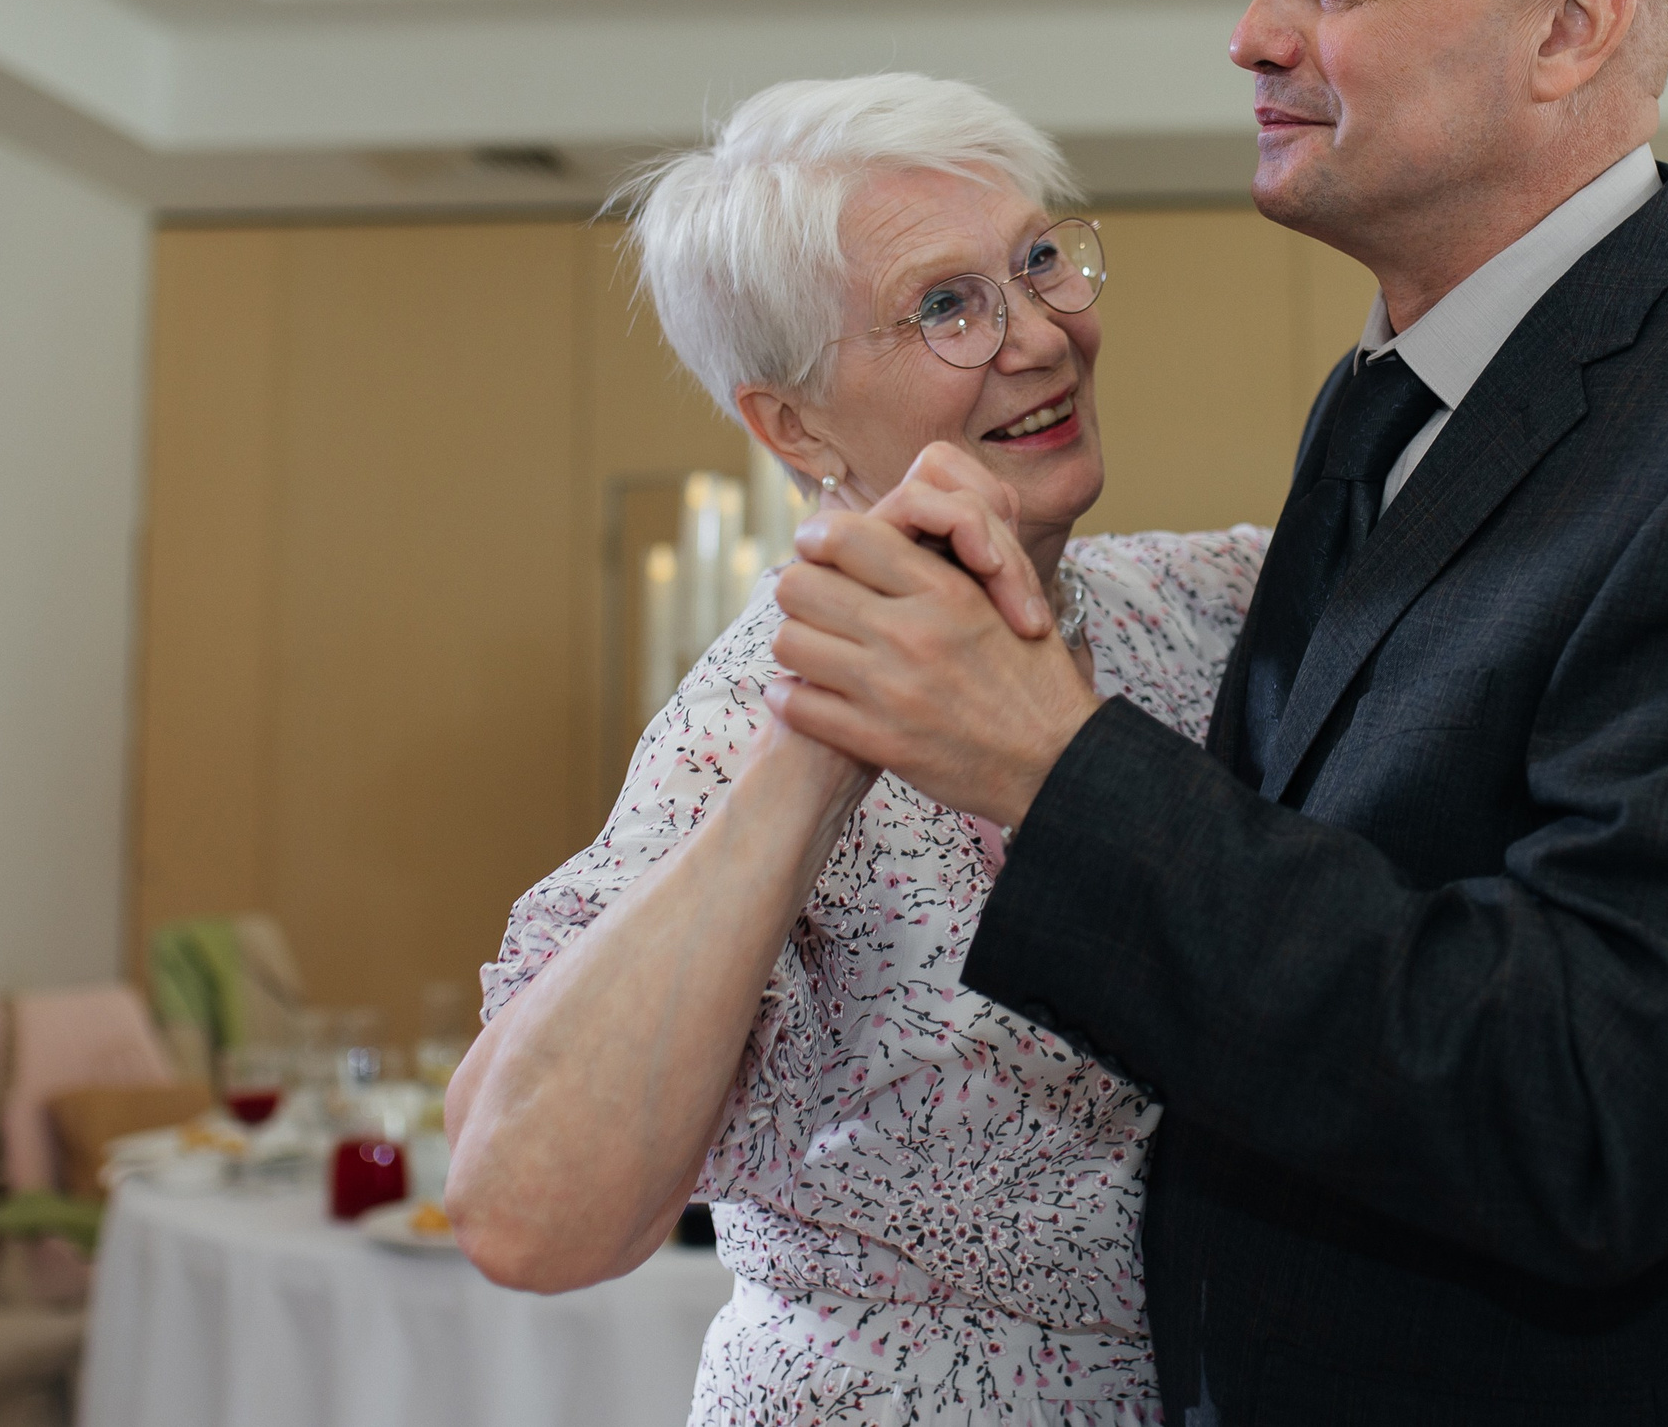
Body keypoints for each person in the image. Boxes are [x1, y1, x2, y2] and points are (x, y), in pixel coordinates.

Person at [766, 0, 1668, 1426]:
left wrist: (1052, 772)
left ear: (1572, 29)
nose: (1255, 33)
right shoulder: (1389, 402)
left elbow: (1599, 1105)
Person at [442, 72, 1264, 1425]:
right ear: (794, 426)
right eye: (946, 305)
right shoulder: (739, 726)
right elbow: (525, 1212)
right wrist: (827, 735)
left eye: (1040, 261)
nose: (1042, 336)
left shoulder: (1202, 610)